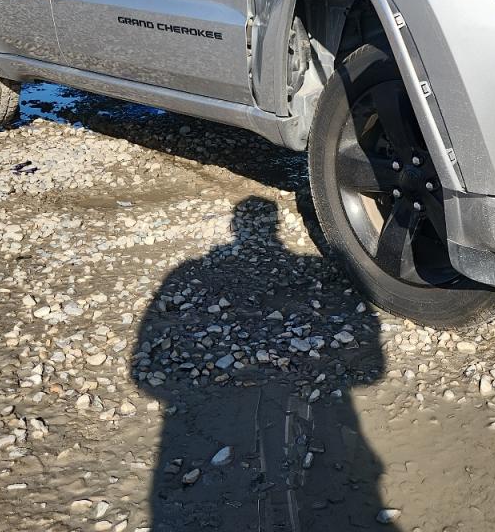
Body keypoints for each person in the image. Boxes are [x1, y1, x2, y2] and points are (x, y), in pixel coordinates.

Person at [133, 197, 393, 530]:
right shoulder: (306, 268)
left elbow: (144, 377)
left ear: (234, 227)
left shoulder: (188, 273)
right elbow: (373, 370)